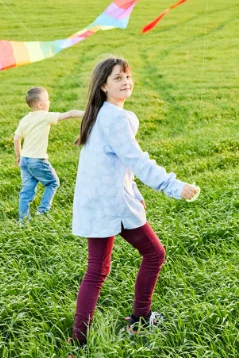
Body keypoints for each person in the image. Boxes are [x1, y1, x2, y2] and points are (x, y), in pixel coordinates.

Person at [70, 57, 198, 345]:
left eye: (127, 76)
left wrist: (136, 194)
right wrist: (174, 186)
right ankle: (140, 319)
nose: (126, 81)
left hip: (96, 203)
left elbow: (119, 167)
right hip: (112, 205)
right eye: (117, 78)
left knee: (96, 270)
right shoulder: (115, 118)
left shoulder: (100, 114)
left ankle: (79, 341)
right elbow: (137, 161)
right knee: (154, 254)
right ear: (103, 86)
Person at [14, 87, 83, 221]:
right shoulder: (45, 116)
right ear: (40, 105)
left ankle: (23, 220)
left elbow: (16, 138)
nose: (49, 102)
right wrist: (88, 112)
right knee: (53, 183)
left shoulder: (25, 119)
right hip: (37, 160)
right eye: (47, 99)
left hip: (25, 160)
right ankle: (42, 211)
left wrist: (19, 156)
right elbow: (69, 114)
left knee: (26, 191)